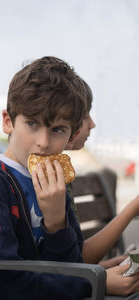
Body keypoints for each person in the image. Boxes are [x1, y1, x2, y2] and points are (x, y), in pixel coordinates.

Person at [0, 56, 138, 299]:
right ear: (8, 122)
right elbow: (1, 281)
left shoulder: (54, 183)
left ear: (72, 136)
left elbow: (69, 267)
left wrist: (56, 224)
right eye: (32, 123)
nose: (43, 142)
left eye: (57, 130)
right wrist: (96, 283)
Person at [66, 80, 139, 298]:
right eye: (85, 116)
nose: (92, 124)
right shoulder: (47, 183)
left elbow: (69, 260)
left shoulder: (58, 177)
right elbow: (73, 261)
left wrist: (102, 268)